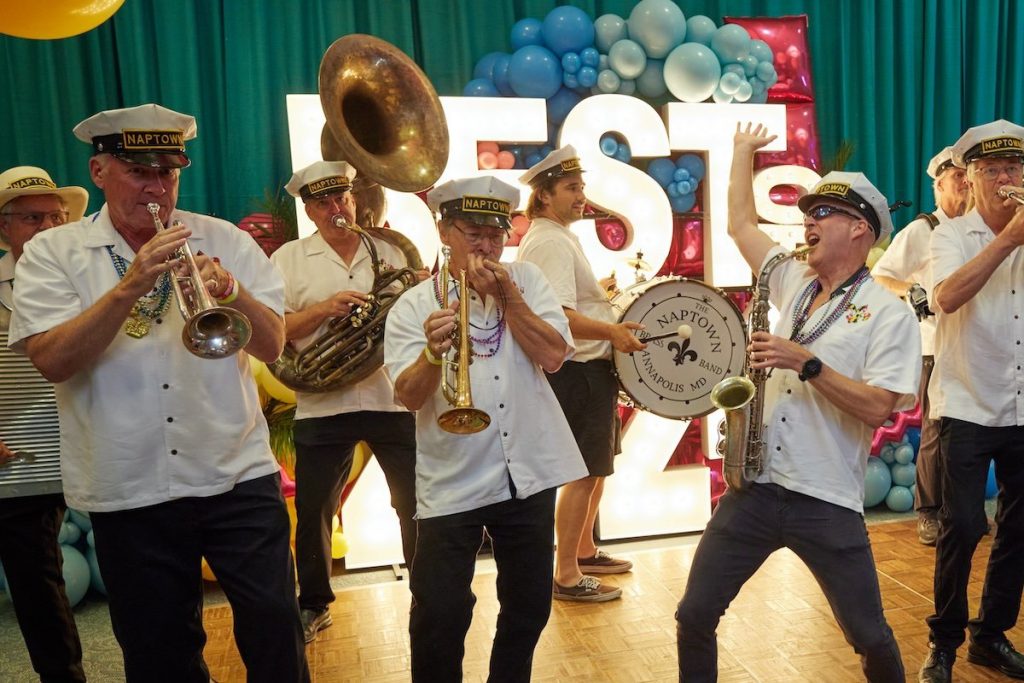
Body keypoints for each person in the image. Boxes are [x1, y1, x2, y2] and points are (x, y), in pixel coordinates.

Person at [7, 104, 309, 682]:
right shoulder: (54, 254)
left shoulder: (223, 239)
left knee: (275, 627)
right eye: (138, 173)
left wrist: (233, 290)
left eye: (167, 173)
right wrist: (130, 285)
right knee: (158, 651)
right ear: (99, 172)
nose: (156, 188)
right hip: (128, 485)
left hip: (236, 473)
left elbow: (272, 347)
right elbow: (51, 360)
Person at [675, 123, 919, 682]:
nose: (806, 223)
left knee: (868, 634)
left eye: (822, 214)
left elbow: (881, 407)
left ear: (860, 228)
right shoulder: (792, 282)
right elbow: (739, 224)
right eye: (806, 214)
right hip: (755, 489)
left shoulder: (888, 313)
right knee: (694, 614)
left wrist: (804, 363)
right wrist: (740, 152)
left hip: (825, 499)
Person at [383, 176, 588, 682]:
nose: (488, 246)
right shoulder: (413, 305)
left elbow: (555, 355)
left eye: (496, 234)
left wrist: (510, 297)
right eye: (474, 233)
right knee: (440, 614)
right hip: (452, 480)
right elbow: (408, 396)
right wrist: (434, 352)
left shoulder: (528, 282)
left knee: (529, 606)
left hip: (529, 474)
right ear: (444, 231)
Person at [270, 160, 423, 643]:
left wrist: (418, 291)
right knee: (314, 508)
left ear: (354, 199)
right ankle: (314, 603)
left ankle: (428, 591)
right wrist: (325, 308)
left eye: (342, 198)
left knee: (416, 502)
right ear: (309, 210)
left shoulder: (389, 250)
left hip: (391, 398)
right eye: (323, 202)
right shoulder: (289, 260)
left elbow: (416, 315)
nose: (335, 208)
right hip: (323, 403)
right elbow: (275, 332)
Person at [918, 119, 1024, 683]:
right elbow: (947, 299)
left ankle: (991, 636)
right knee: (962, 526)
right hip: (965, 404)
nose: (1005, 178)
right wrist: (1009, 239)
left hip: (1022, 405)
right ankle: (944, 644)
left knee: (1020, 528)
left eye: (1014, 168)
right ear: (971, 179)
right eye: (992, 170)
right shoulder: (949, 236)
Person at [515, 145, 644, 603]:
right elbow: (560, 316)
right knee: (582, 473)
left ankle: (584, 550)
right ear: (544, 196)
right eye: (571, 188)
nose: (582, 196)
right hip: (577, 371)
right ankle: (567, 574)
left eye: (582, 187)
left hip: (590, 370)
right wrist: (610, 328)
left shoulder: (557, 235)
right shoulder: (549, 239)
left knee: (595, 468)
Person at [0, 166, 88, 682]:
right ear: (4, 227)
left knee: (143, 577)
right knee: (38, 588)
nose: (47, 227)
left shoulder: (98, 278)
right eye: (31, 217)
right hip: (23, 459)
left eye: (56, 216)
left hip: (102, 443)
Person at [871, 145, 969, 546]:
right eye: (957, 178)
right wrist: (911, 289)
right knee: (936, 428)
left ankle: (960, 512)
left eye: (968, 176)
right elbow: (880, 275)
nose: (965, 183)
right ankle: (929, 513)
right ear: (939, 185)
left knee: (970, 432)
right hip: (935, 345)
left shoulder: (978, 229)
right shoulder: (923, 229)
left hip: (973, 344)